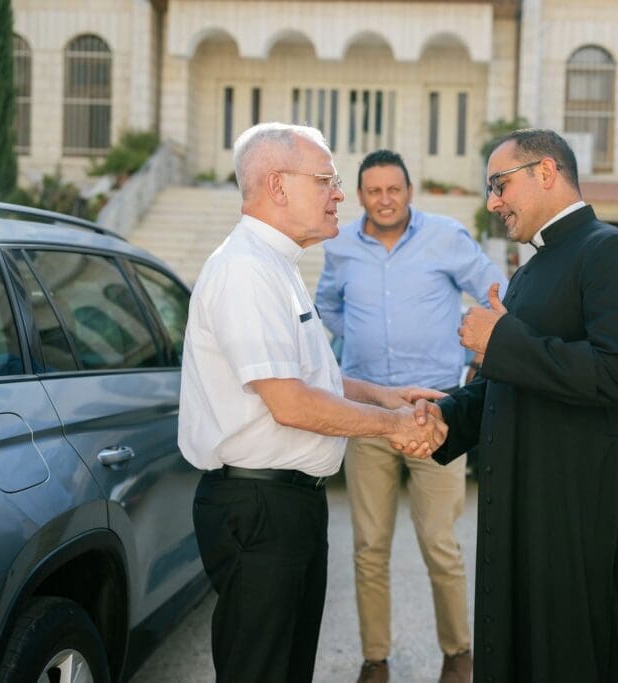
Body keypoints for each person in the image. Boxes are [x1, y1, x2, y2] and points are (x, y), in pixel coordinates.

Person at [178, 123, 447, 683]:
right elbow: (291, 403)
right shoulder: (246, 270)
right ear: (277, 185)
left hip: (287, 504)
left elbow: (311, 377)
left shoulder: (276, 265)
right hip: (260, 507)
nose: (340, 195)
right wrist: (394, 424)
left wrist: (382, 395)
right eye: (326, 180)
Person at [422, 129, 618, 682]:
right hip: (528, 506)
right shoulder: (529, 272)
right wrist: (443, 418)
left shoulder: (609, 251)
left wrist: (500, 340)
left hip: (578, 515)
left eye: (499, 185)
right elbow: (512, 382)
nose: (493, 202)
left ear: (546, 172)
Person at [316, 149, 508, 683]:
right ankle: (375, 659)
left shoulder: (446, 237)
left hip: (436, 413)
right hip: (366, 413)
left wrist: (480, 352)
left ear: (409, 191)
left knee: (440, 544)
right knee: (368, 547)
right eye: (374, 191)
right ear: (360, 196)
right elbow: (326, 305)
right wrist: (359, 335)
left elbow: (497, 292)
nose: (385, 200)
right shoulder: (340, 247)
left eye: (393, 189)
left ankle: (458, 654)